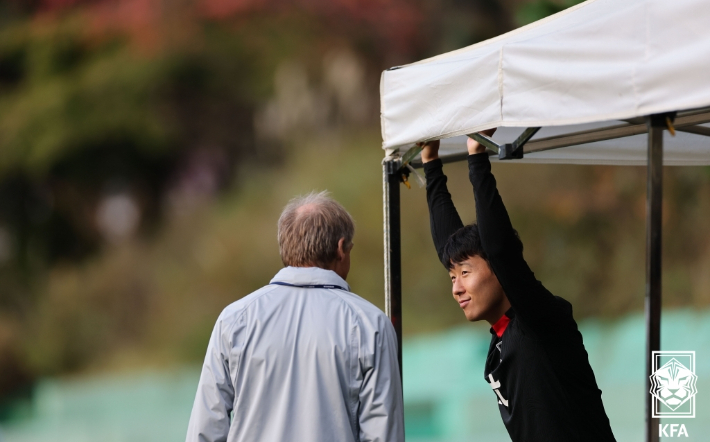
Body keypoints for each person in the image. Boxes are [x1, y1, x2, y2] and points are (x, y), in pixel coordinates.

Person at [420, 133, 616, 442]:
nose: (456, 287)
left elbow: (501, 251)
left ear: (499, 271)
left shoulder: (538, 321)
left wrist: (477, 157)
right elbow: (449, 246)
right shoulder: (502, 334)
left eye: (466, 273)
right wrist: (430, 164)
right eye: (452, 278)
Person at [185, 191, 404, 442]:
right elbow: (383, 434)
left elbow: (205, 430)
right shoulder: (371, 324)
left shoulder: (233, 320)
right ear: (341, 249)